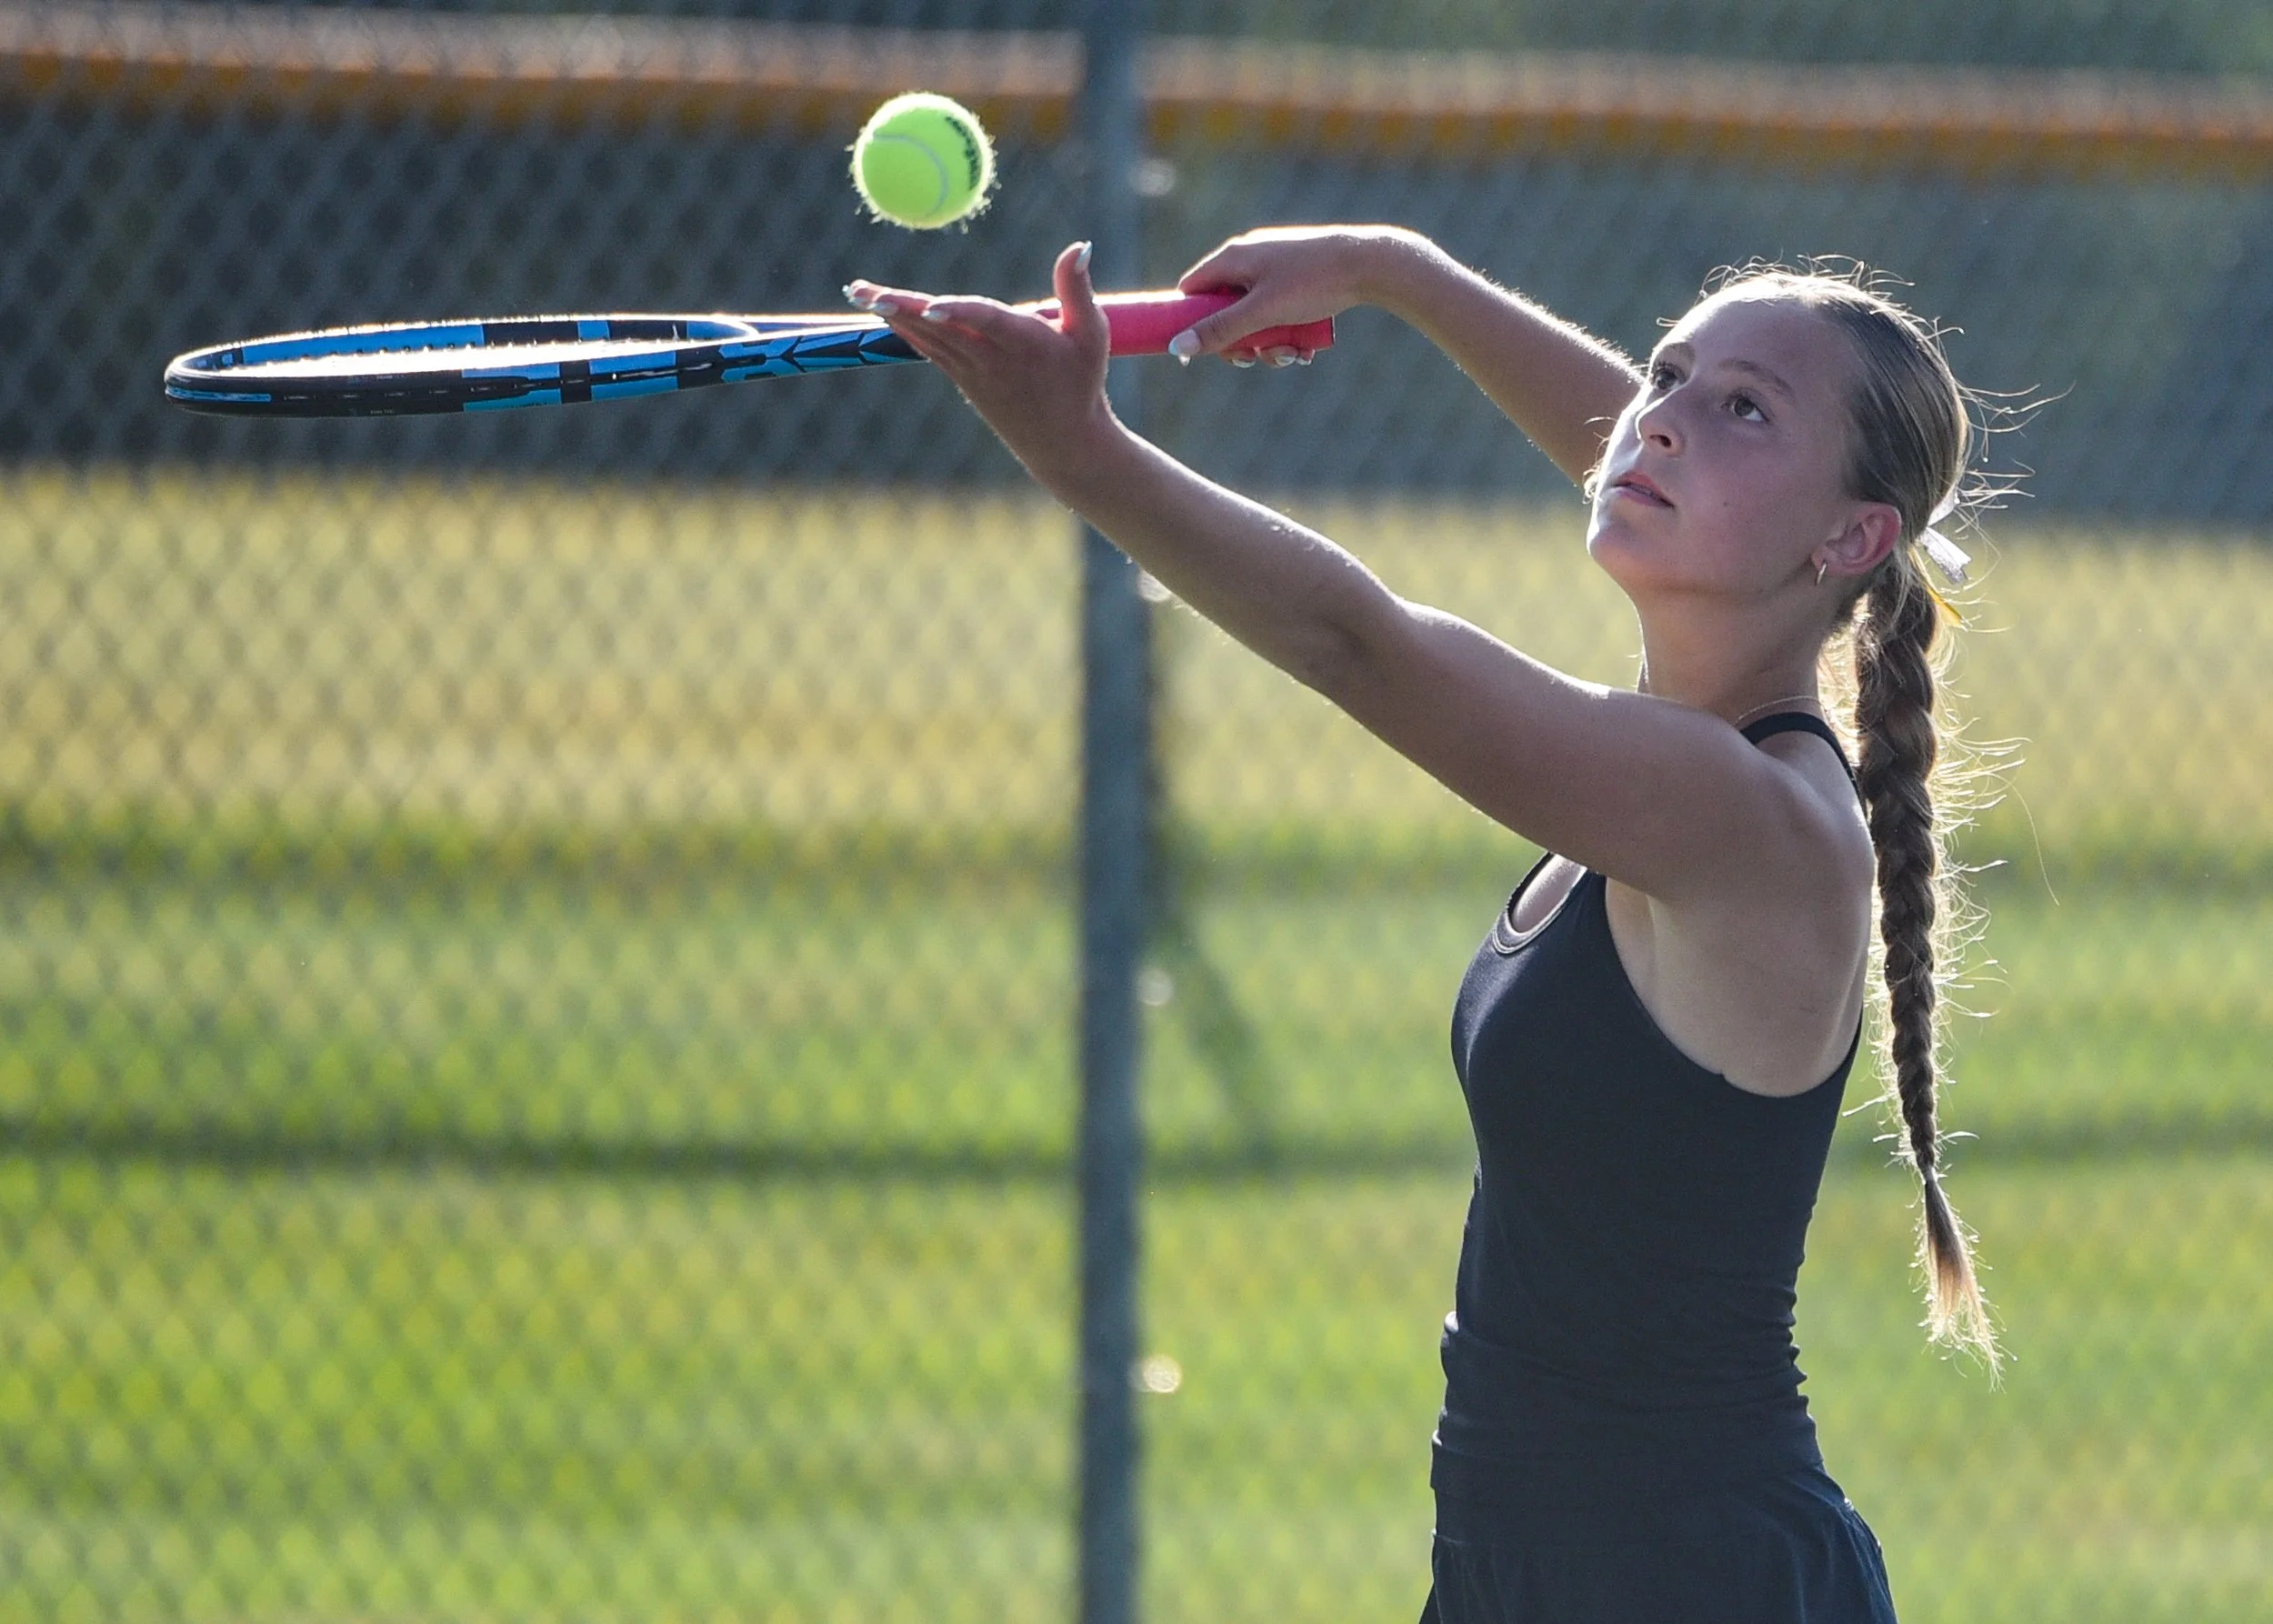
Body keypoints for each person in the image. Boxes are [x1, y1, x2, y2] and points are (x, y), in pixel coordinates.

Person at [847, 226, 1997, 1623]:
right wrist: (1391, 271)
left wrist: (1081, 450)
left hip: (1684, 1574)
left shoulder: (1745, 814)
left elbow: (1357, 644)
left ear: (1852, 538)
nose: (1663, 423)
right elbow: (1657, 451)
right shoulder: (1693, 722)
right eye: (1666, 375)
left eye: (1745, 406)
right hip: (1540, 1569)